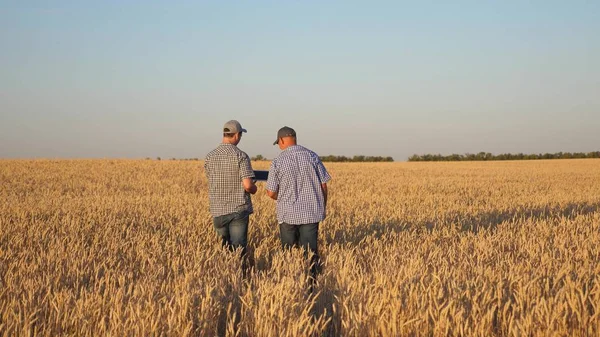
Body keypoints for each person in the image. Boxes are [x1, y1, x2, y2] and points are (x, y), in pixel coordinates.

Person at [266, 126, 331, 283]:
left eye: (279, 143)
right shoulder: (312, 156)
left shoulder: (278, 161)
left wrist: (281, 197)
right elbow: (323, 185)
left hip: (287, 214)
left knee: (288, 253)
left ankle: (290, 283)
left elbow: (270, 192)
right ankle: (311, 284)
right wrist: (322, 206)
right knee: (310, 252)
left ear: (282, 140)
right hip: (311, 212)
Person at [204, 120, 257, 269]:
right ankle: (239, 278)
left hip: (217, 210)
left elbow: (210, 179)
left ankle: (225, 276)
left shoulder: (210, 156)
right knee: (238, 250)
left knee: (224, 250)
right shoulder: (240, 155)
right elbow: (247, 185)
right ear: (237, 135)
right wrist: (254, 188)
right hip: (238, 209)